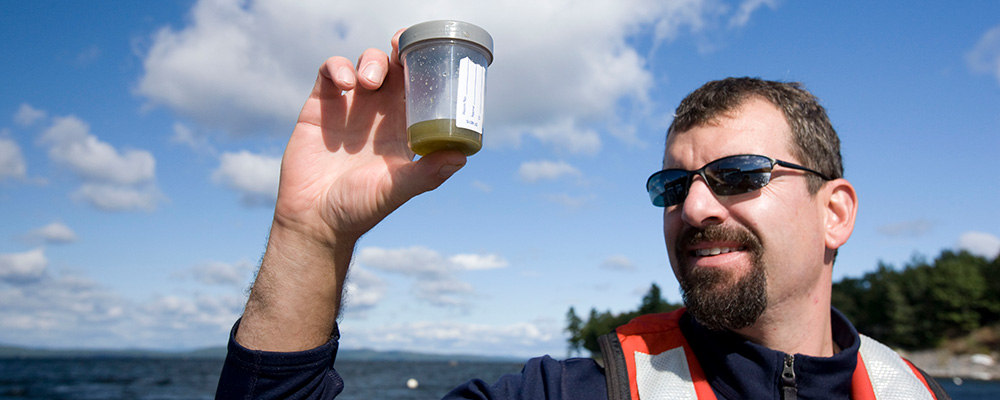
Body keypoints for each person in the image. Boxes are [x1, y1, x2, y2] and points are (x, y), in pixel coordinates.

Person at [215, 29, 950, 400]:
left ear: (836, 212)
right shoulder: (571, 393)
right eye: (673, 185)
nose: (694, 205)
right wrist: (310, 235)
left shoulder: (913, 393)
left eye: (736, 176)